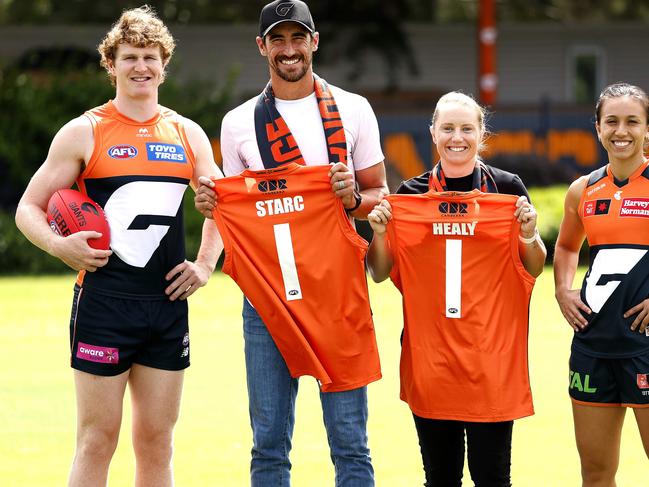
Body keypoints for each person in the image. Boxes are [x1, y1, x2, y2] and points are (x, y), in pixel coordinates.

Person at [14, 6, 223, 486]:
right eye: (129, 56)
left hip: (167, 306)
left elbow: (223, 206)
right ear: (111, 64)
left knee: (157, 442)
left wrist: (206, 264)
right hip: (104, 303)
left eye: (150, 56)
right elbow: (28, 208)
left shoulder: (187, 133)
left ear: (164, 64)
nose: (140, 67)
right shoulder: (84, 131)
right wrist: (59, 246)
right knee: (96, 439)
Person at [194, 1, 388, 484]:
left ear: (314, 42)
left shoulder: (353, 108)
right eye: (277, 39)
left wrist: (352, 200)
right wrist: (212, 205)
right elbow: (238, 211)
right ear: (261, 47)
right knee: (269, 446)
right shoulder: (239, 122)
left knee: (350, 443)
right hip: (268, 298)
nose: (288, 49)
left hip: (338, 293)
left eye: (297, 37)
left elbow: (381, 196)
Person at [366, 91, 546, 487]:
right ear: (433, 133)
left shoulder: (507, 188)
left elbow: (532, 267)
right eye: (447, 128)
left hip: (490, 362)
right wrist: (379, 234)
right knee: (440, 479)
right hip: (432, 363)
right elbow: (380, 273)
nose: (456, 137)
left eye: (467, 128)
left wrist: (529, 235)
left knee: (492, 478)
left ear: (482, 133)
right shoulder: (410, 196)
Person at [553, 82, 649, 486]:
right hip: (593, 344)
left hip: (645, 344)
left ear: (647, 129)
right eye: (611, 121)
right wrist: (563, 290)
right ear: (597, 127)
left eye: (632, 121)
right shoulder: (583, 189)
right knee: (595, 473)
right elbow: (566, 247)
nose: (621, 130)